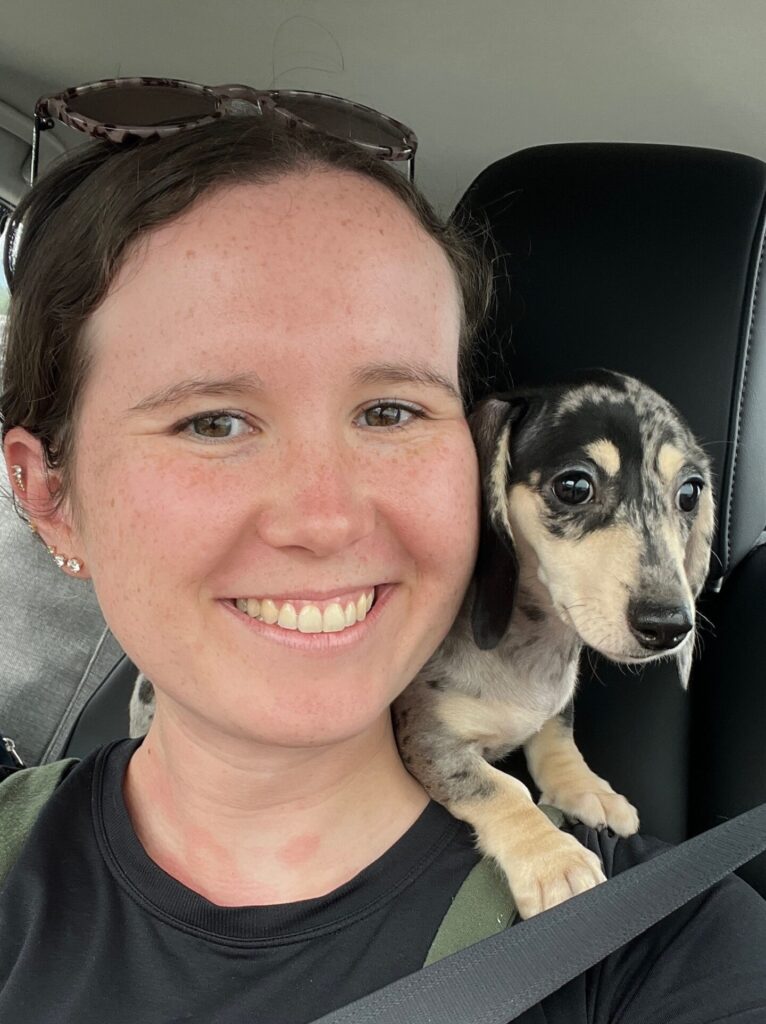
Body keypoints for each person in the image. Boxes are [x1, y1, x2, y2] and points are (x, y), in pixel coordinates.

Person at [0, 114, 765, 1024]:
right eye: (213, 421)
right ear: (49, 495)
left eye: (392, 412)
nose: (326, 520)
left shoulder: (669, 950)